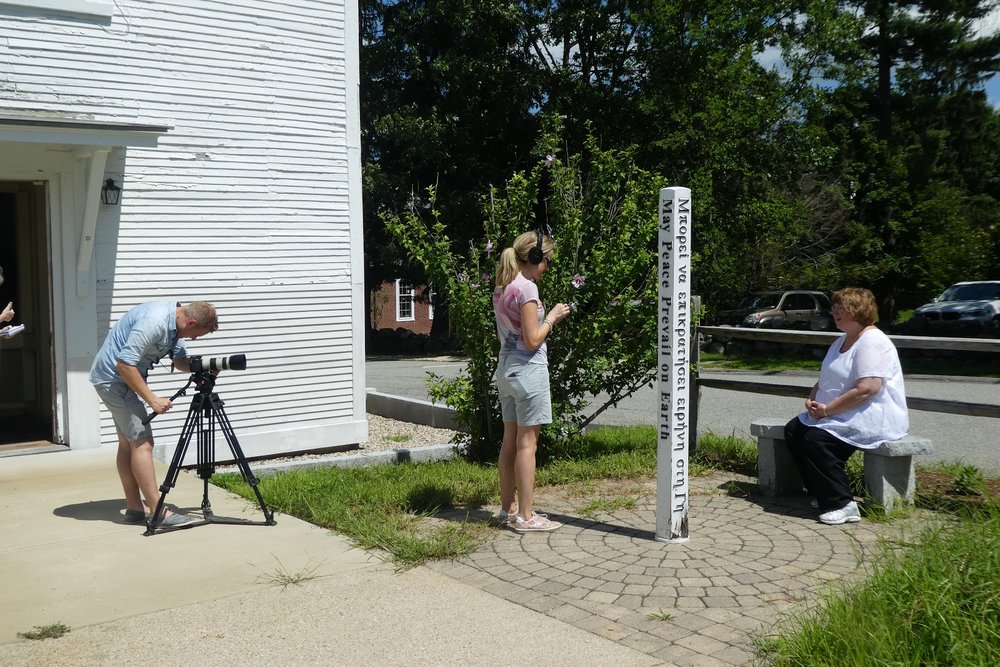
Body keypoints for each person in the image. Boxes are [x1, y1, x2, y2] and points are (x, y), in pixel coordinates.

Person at [784, 287, 909, 525]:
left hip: (870, 415)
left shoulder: (873, 341)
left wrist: (828, 410)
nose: (835, 313)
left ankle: (842, 503)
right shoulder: (842, 340)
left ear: (858, 311)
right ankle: (822, 492)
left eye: (841, 309)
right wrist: (812, 399)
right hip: (839, 411)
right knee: (794, 431)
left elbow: (868, 388)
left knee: (816, 441)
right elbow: (826, 377)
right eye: (835, 308)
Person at [90, 301, 219, 525]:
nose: (194, 339)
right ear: (190, 322)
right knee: (143, 443)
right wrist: (152, 399)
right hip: (115, 380)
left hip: (118, 380)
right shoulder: (155, 322)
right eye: (196, 334)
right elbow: (124, 364)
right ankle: (157, 510)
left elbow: (179, 361)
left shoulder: (175, 323)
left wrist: (205, 365)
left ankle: (134, 508)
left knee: (128, 442)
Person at [492, 230, 572, 533]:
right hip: (528, 372)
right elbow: (532, 338)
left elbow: (507, 336)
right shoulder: (527, 290)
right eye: (548, 261)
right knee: (528, 444)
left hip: (506, 371)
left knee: (509, 441)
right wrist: (552, 317)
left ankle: (507, 509)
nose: (548, 267)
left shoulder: (502, 287)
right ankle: (526, 516)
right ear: (536, 258)